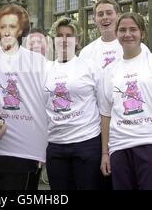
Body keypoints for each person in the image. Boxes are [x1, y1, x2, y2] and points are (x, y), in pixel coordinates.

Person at [0, 4, 48, 190]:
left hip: (26, 150)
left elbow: (46, 105)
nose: (7, 31)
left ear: (21, 30)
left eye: (12, 26)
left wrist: (41, 149)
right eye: (3, 27)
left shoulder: (38, 62)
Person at [100, 12, 152, 190]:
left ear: (143, 33)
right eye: (122, 30)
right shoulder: (109, 71)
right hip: (119, 149)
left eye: (133, 29)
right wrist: (105, 153)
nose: (127, 34)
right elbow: (106, 115)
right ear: (117, 34)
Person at [44, 16, 104, 190]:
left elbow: (104, 106)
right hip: (55, 145)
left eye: (69, 35)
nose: (64, 40)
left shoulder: (90, 67)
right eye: (59, 35)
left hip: (87, 143)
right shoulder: (45, 70)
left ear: (77, 40)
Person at [79, 0, 149, 69]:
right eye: (100, 14)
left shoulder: (139, 48)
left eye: (109, 13)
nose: (105, 17)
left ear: (118, 16)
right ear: (94, 20)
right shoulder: (86, 52)